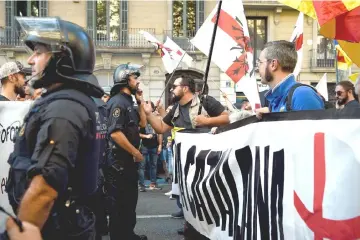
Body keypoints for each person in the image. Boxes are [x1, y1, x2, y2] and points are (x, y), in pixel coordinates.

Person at [2, 17, 104, 240]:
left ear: (62, 59)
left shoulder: (64, 109)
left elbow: (46, 187)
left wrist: (23, 229)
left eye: (38, 53)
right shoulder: (62, 101)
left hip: (55, 229)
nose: (30, 60)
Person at [143, 76, 229, 237]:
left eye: (174, 86)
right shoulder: (175, 109)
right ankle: (192, 227)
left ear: (184, 88)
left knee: (207, 198)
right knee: (189, 198)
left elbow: (227, 118)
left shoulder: (205, 101)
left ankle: (211, 230)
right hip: (187, 164)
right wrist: (148, 114)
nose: (171, 90)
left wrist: (207, 121)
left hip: (207, 162)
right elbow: (161, 127)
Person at [106, 63, 147, 240]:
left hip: (128, 163)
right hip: (118, 163)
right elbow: (115, 133)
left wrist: (140, 101)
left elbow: (143, 124)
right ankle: (119, 236)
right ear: (125, 79)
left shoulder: (129, 102)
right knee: (119, 205)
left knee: (129, 202)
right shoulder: (117, 102)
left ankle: (128, 235)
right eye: (134, 78)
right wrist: (135, 152)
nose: (137, 81)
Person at [255, 40, 324, 117]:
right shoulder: (277, 100)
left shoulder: (302, 95)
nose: (257, 68)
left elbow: (314, 128)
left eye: (260, 63)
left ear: (273, 64)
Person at [138, 101, 163, 191]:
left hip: (154, 145)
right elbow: (136, 133)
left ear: (152, 108)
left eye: (148, 106)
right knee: (142, 166)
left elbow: (160, 132)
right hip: (144, 145)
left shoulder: (156, 118)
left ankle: (153, 184)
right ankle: (141, 185)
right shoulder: (141, 118)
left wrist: (160, 145)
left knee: (154, 165)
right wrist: (146, 136)